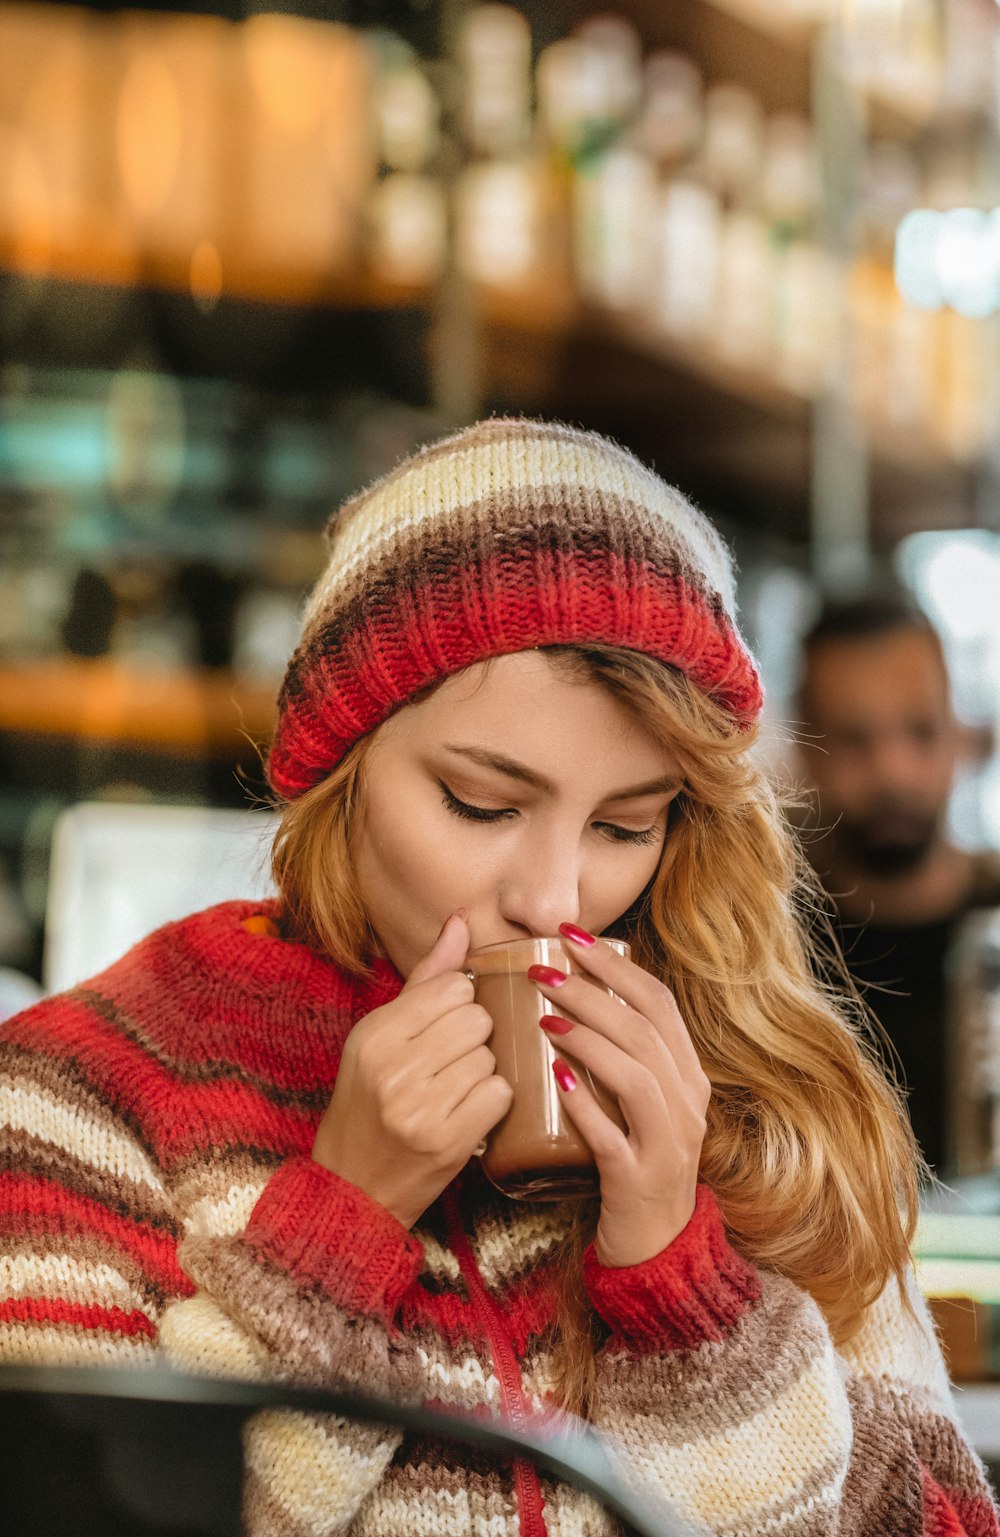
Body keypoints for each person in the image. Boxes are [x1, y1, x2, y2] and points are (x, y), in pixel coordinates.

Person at [0, 418, 997, 1537]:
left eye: (626, 823)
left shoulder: (764, 1100)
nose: (556, 898)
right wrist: (335, 1233)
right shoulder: (78, 1094)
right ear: (341, 762)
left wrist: (685, 1293)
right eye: (482, 804)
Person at [796, 589, 1000, 1174]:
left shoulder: (993, 928)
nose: (892, 773)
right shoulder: (764, 947)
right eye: (855, 739)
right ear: (808, 747)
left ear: (961, 733)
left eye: (921, 731)